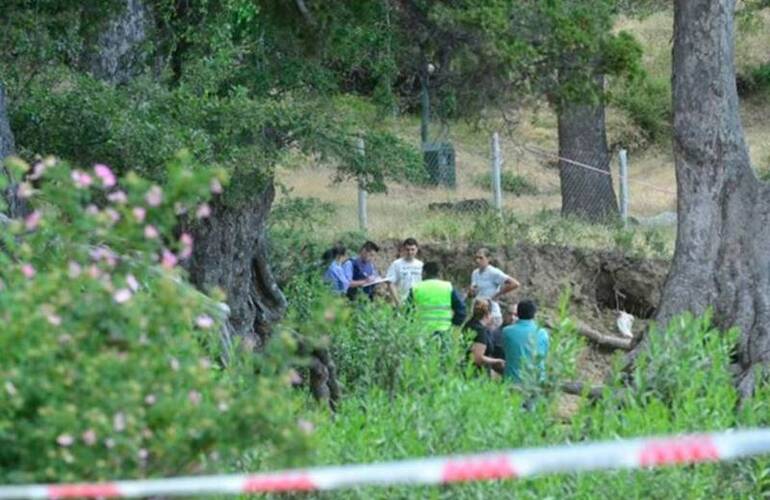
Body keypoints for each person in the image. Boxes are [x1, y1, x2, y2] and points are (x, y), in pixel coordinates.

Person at [408, 261, 466, 334]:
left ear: (424, 273)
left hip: (421, 332)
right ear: (438, 273)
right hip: (444, 331)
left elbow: (407, 312)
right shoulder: (448, 287)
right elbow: (461, 309)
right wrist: (454, 324)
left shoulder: (416, 288)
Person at [468, 248, 520, 329]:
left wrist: (498, 294)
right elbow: (473, 293)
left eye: (481, 258)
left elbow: (515, 284)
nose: (478, 260)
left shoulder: (493, 272)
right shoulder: (475, 273)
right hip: (478, 314)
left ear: (488, 259)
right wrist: (471, 292)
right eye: (476, 258)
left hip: (492, 315)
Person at [501, 299, 549, 384]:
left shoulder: (506, 331)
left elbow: (505, 350)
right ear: (534, 314)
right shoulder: (543, 333)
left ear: (518, 313)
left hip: (513, 381)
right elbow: (544, 355)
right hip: (536, 383)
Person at [464, 299, 505, 374]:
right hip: (476, 373)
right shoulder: (480, 331)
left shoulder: (469, 324)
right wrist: (497, 361)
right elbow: (477, 357)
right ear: (488, 314)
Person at [386, 237, 423, 304]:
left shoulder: (420, 265)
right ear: (403, 249)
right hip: (401, 301)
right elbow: (390, 283)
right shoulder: (396, 264)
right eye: (407, 249)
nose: (410, 252)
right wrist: (397, 301)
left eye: (412, 249)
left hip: (417, 301)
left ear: (417, 250)